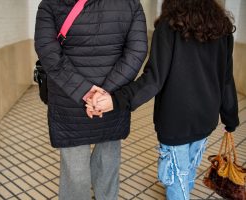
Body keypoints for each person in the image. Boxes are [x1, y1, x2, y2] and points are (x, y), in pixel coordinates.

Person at [86, 0, 240, 199]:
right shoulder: (221, 27)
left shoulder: (170, 25)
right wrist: (230, 118)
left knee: (178, 177)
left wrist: (117, 100)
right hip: (206, 117)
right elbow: (226, 79)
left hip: (174, 120)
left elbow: (153, 79)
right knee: (188, 169)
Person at [34, 0, 148, 199]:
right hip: (111, 100)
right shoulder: (130, 3)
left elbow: (48, 52)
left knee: (75, 172)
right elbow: (136, 52)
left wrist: (85, 91)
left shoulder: (50, 4)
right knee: (108, 161)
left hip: (69, 98)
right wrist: (104, 93)